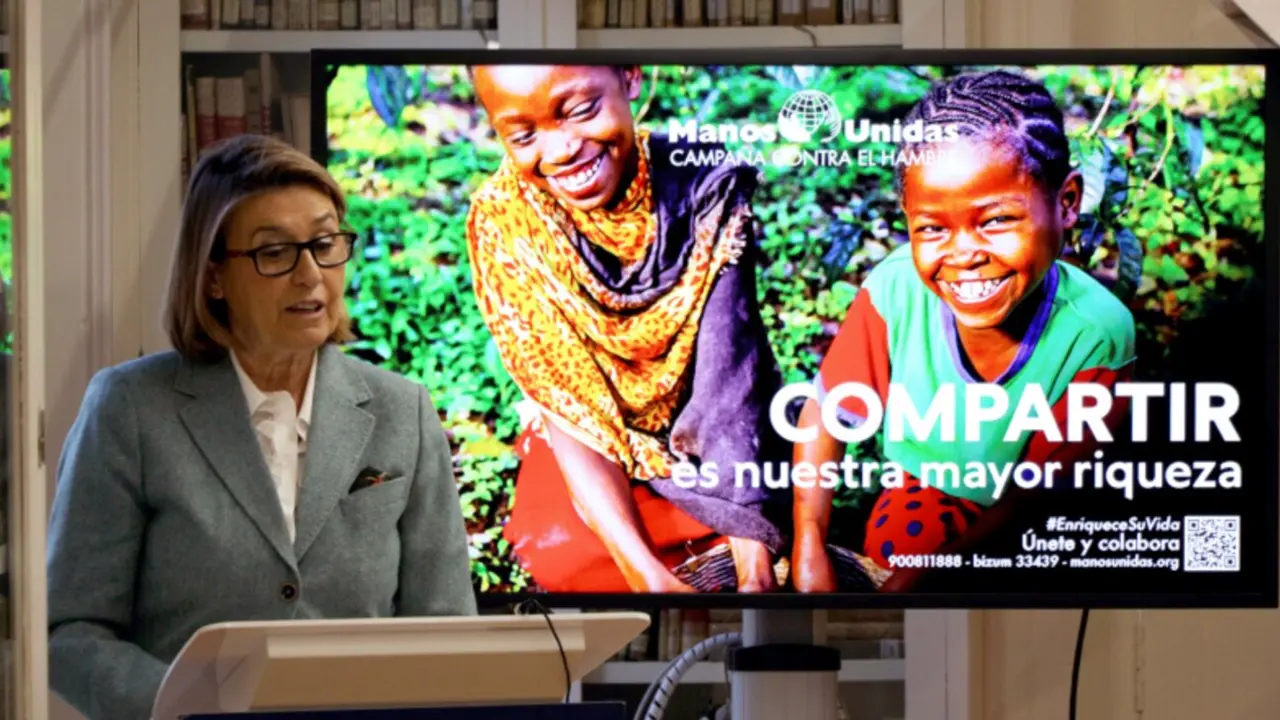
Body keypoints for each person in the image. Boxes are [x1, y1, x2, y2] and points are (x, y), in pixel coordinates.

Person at [46, 135, 477, 720]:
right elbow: (69, 629)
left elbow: (447, 629)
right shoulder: (129, 408)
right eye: (274, 253)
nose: (309, 275)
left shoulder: (403, 410)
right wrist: (184, 707)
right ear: (214, 277)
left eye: (325, 244)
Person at [790, 69, 1137, 594]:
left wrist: (925, 580)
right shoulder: (895, 288)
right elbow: (829, 414)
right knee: (909, 537)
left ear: (1066, 203)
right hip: (928, 492)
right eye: (932, 228)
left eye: (996, 220)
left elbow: (1037, 497)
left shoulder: (1098, 333)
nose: (964, 255)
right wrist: (809, 541)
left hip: (1038, 511)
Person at [464, 64, 788, 594]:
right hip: (599, 443)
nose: (562, 149)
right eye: (523, 135)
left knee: (762, 523)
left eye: (581, 110)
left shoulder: (704, 183)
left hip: (715, 439)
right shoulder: (507, 221)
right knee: (563, 552)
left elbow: (730, 382)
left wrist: (754, 567)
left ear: (631, 79)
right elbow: (569, 410)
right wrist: (650, 581)